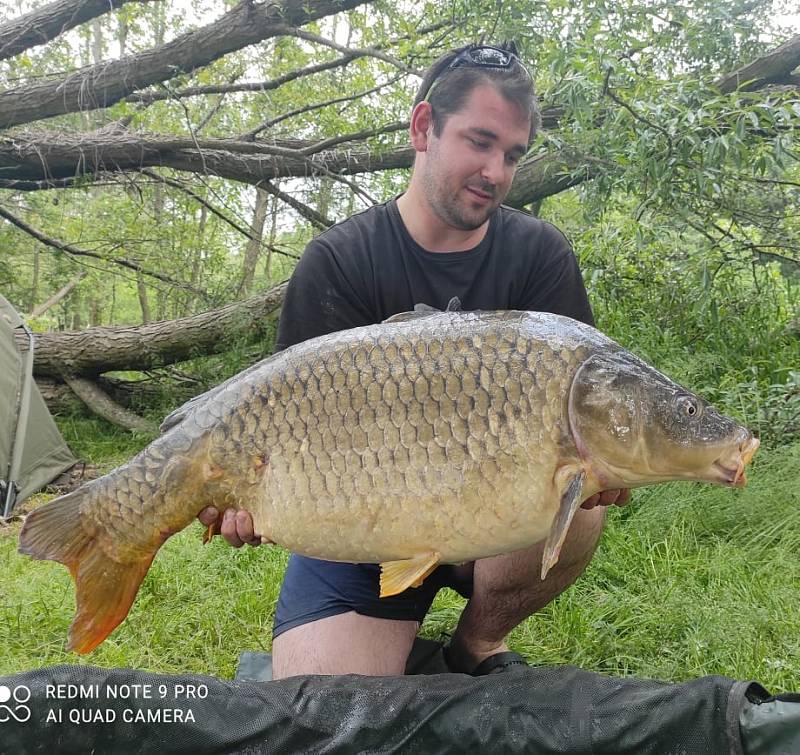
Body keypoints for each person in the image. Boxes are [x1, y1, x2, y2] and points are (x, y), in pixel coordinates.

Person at [199, 42, 630, 679]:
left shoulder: (539, 255)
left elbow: (584, 409)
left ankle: (475, 645)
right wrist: (248, 498)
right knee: (327, 711)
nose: (497, 171)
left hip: (494, 521)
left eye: (512, 153)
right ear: (424, 127)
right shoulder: (340, 261)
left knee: (577, 503)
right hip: (363, 524)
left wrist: (610, 459)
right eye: (480, 141)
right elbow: (285, 430)